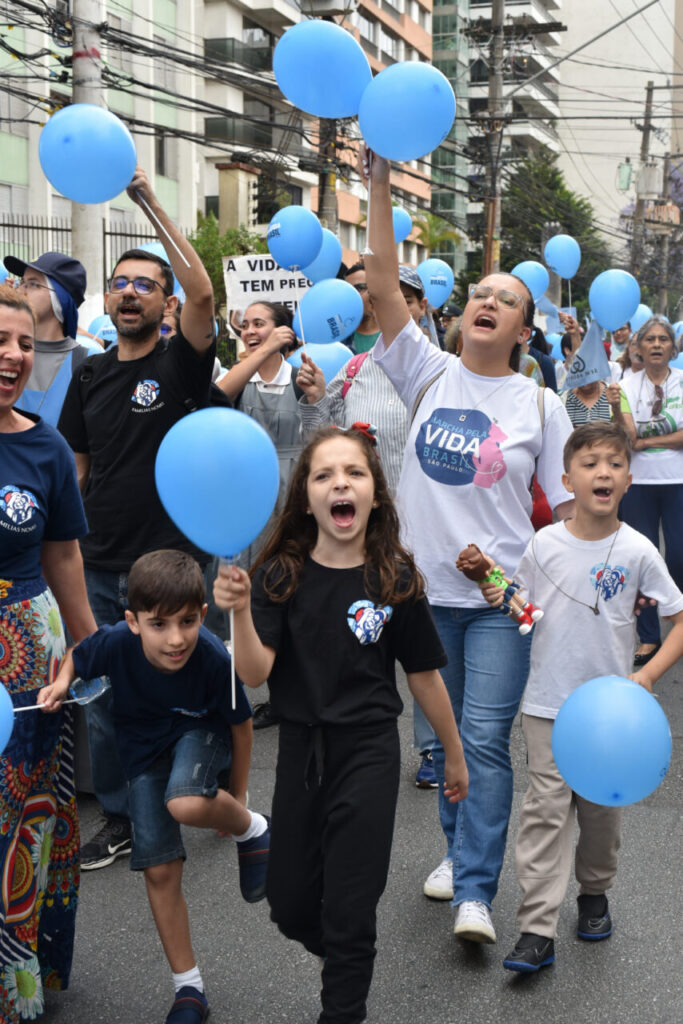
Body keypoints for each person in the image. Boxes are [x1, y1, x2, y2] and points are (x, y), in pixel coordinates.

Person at [361, 145, 573, 941]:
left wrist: (560, 599)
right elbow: (383, 282)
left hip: (497, 602)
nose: (485, 301)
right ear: (458, 314)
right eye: (477, 292)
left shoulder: (539, 407)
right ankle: (458, 852)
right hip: (417, 598)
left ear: (523, 327)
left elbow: (558, 512)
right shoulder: (425, 371)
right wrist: (378, 179)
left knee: (482, 740)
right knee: (438, 741)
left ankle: (477, 889)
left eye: (504, 299)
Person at [213, 425, 468, 1024]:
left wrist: (453, 754)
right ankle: (349, 960)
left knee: (351, 909)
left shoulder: (395, 577)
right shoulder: (279, 574)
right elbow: (254, 673)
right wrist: (242, 613)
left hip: (370, 752)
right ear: (306, 498)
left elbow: (425, 676)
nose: (339, 484)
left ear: (375, 492)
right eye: (323, 475)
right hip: (303, 752)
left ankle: (345, 994)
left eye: (353, 472)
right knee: (291, 906)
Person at [475, 422, 683, 972]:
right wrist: (499, 593)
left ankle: (594, 892)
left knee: (601, 815)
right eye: (590, 463)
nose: (603, 472)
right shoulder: (543, 544)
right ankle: (536, 929)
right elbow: (522, 608)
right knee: (544, 812)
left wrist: (647, 676)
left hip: (612, 716)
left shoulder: (638, 549)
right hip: (547, 705)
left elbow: (678, 617)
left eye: (614, 463)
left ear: (630, 479)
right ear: (567, 479)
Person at [58, 166, 216, 870]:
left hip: (170, 560)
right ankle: (121, 817)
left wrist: (149, 201)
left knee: (179, 686)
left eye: (144, 284)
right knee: (100, 696)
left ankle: (190, 790)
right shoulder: (88, 373)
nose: (128, 291)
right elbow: (78, 465)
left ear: (166, 302)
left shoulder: (181, 364)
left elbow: (206, 291)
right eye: (119, 282)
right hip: (96, 560)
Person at [39, 549, 270, 1024]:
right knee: (159, 872)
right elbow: (78, 658)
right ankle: (189, 988)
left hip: (200, 734)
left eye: (188, 621)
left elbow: (243, 729)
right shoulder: (115, 642)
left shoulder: (208, 656)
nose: (176, 638)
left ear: (204, 615)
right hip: (143, 753)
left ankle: (256, 830)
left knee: (185, 802)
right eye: (159, 624)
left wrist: (239, 804)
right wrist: (62, 683)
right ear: (133, 621)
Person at [297, 264, 440, 785]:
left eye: (404, 297)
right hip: (361, 529)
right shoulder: (353, 369)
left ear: (422, 308)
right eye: (377, 295)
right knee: (361, 629)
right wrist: (315, 399)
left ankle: (433, 749)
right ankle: (347, 735)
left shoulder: (440, 370)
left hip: (424, 528)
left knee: (423, 642)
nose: (387, 304)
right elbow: (321, 436)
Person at [0, 284, 97, 1020]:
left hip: (29, 660)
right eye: (1, 341)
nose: (12, 356)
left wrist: (88, 648)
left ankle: (13, 975)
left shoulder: (46, 445)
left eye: (25, 343)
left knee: (22, 823)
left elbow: (63, 554)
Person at [217, 300, 308, 730]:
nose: (251, 330)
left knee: (285, 584)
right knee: (239, 585)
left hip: (291, 492)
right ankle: (231, 686)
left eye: (261, 323)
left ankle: (282, 690)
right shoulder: (234, 379)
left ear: (283, 331)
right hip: (244, 490)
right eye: (246, 324)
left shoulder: (301, 378)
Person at [608, 315, 683, 668]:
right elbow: (627, 437)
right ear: (637, 347)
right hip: (639, 485)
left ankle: (678, 623)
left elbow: (643, 439)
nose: (656, 344)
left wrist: (647, 440)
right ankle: (650, 636)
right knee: (642, 557)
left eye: (662, 339)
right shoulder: (624, 384)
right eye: (649, 339)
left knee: (679, 555)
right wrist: (614, 408)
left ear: (672, 346)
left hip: (678, 481)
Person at [2, 251, 92, 426]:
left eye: (33, 284)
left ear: (60, 298)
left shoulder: (89, 360)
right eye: (22, 283)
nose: (21, 291)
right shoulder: (5, 352)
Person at [343, 262, 380, 353]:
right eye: (348, 290)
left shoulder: (394, 337)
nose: (354, 295)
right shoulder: (338, 342)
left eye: (360, 288)